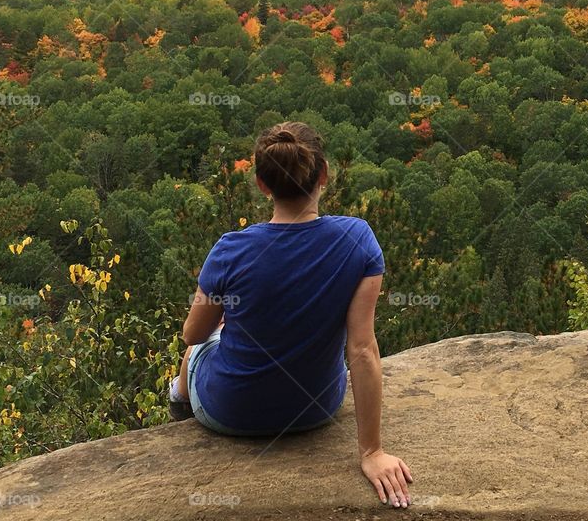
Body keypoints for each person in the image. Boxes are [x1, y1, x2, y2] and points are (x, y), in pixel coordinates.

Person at [167, 121, 413, 508]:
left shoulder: (230, 249)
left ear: (263, 185)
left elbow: (192, 334)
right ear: (325, 175)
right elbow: (362, 349)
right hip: (316, 409)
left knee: (197, 351)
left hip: (230, 414)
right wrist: (372, 452)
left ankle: (178, 401)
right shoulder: (358, 239)